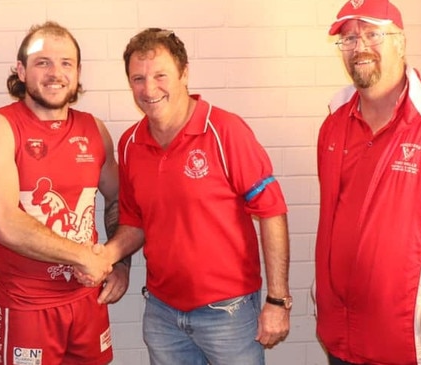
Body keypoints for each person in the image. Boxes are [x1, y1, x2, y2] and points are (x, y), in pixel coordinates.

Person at [79, 27, 291, 365]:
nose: (149, 89)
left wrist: (277, 301)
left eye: (160, 75)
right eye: (138, 78)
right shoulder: (131, 144)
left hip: (229, 315)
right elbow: (134, 223)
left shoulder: (225, 131)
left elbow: (272, 211)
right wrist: (106, 257)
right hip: (163, 315)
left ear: (184, 74)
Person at [0, 21, 129, 365]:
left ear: (78, 72)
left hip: (89, 301)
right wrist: (85, 257)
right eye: (42, 62)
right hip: (28, 305)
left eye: (66, 63)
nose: (55, 72)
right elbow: (3, 223)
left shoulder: (94, 129)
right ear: (21, 71)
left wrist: (118, 263)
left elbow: (121, 202)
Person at [315, 0, 421, 364]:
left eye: (372, 34)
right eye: (348, 38)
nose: (359, 46)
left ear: (401, 42)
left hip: (418, 347)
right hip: (343, 341)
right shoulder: (333, 125)